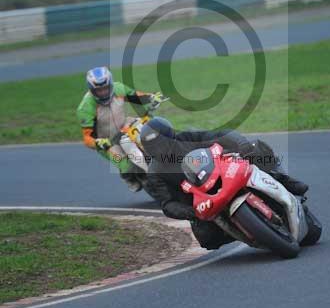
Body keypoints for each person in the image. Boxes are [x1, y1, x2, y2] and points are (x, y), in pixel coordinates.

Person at [140, 117, 308, 250]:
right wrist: (192, 212)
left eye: (161, 142)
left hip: (224, 171)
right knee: (207, 239)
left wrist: (241, 144)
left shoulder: (188, 137)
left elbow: (220, 134)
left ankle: (286, 181)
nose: (159, 148)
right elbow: (167, 204)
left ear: (171, 136)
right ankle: (247, 231)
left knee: (256, 149)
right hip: (202, 200)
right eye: (153, 146)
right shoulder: (155, 173)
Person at [77, 66, 162, 192]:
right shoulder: (85, 108)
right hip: (107, 141)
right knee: (126, 165)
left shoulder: (119, 88)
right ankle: (129, 177)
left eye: (106, 88)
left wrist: (151, 97)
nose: (104, 92)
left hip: (126, 125)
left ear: (110, 84)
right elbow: (86, 137)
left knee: (153, 129)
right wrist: (97, 143)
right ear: (91, 90)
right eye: (99, 90)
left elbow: (135, 96)